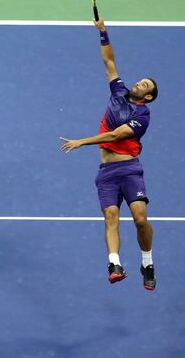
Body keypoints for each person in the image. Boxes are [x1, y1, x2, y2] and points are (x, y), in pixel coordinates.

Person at [60, 18, 158, 290]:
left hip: (129, 170)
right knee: (111, 218)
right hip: (106, 172)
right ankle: (114, 263)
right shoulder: (118, 92)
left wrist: (83, 141)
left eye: (145, 86)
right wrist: (103, 33)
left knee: (140, 219)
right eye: (140, 81)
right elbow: (109, 62)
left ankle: (147, 262)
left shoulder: (142, 115)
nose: (139, 84)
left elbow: (115, 136)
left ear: (148, 97)